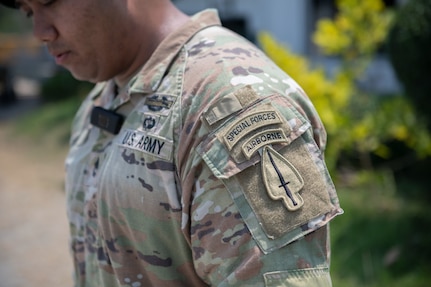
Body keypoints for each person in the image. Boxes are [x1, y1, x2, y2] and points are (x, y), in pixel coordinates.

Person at [1, 0, 343, 286]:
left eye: (48, 1)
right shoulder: (103, 98)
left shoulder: (229, 102)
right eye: (30, 12)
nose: (40, 32)